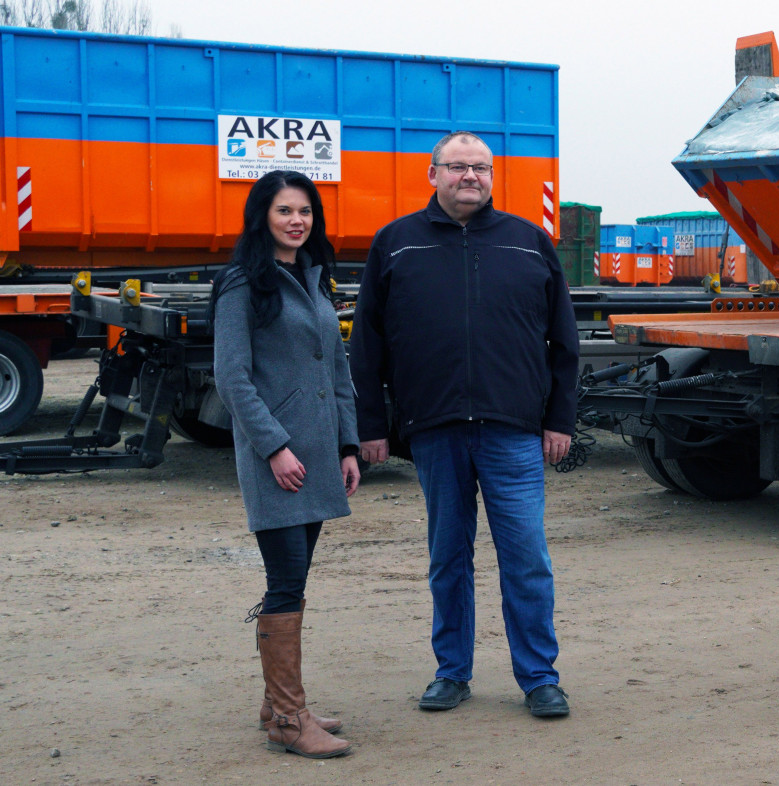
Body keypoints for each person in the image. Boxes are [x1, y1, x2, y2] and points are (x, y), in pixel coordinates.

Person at [349, 131, 579, 718]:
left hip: (514, 430)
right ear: (432, 175)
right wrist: (370, 425)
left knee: (525, 557)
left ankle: (539, 677)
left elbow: (564, 344)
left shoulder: (529, 244)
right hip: (435, 428)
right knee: (447, 557)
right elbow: (367, 346)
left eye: (480, 167)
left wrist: (559, 420)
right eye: (457, 167)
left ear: (493, 177)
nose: (469, 177)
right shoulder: (396, 245)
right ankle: (452, 671)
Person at [212, 170, 360, 757]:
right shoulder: (242, 284)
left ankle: (279, 703)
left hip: (320, 456)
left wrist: (348, 445)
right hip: (278, 459)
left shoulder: (315, 279)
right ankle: (290, 721)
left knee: (294, 584)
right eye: (284, 211)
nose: (297, 221)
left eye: (305, 211)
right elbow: (232, 377)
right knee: (286, 582)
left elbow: (338, 371)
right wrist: (273, 447)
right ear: (261, 217)